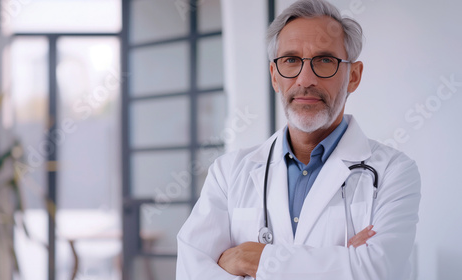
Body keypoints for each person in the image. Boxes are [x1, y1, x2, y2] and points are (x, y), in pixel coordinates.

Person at [176, 0, 421, 279]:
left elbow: (378, 269)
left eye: (325, 60)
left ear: (353, 76)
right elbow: (190, 270)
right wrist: (344, 263)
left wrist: (256, 261)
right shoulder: (228, 173)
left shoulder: (394, 172)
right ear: (274, 76)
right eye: (291, 60)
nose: (306, 79)